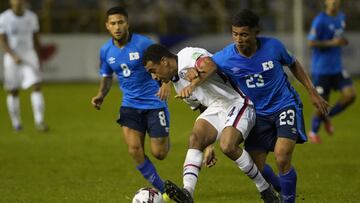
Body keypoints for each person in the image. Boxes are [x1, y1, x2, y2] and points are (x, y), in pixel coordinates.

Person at [183, 9, 328, 203]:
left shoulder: (274, 47)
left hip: (284, 105)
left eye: (244, 34)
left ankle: (288, 200)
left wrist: (312, 92)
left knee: (282, 156)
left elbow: (294, 64)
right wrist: (194, 74)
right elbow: (207, 64)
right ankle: (278, 187)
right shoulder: (226, 57)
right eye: (235, 34)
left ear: (255, 32)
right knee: (256, 167)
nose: (239, 39)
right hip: (256, 113)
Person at [143, 44, 280, 203]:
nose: (154, 77)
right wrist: (208, 145)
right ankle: (187, 192)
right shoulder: (177, 83)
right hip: (216, 107)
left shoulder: (187, 55)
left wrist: (194, 82)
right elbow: (202, 107)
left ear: (164, 61)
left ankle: (265, 189)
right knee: (196, 139)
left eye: (153, 71)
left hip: (237, 100)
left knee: (228, 146)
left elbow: (211, 65)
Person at [90, 6, 172, 200]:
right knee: (134, 149)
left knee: (159, 153)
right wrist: (101, 94)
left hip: (154, 103)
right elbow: (107, 76)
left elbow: (167, 62)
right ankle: (164, 190)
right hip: (129, 105)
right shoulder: (105, 51)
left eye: (120, 22)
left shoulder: (144, 44)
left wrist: (167, 82)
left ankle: (164, 136)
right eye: (113, 23)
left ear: (127, 23)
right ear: (107, 26)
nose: (117, 27)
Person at [307, 0, 356, 144]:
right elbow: (311, 42)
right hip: (321, 69)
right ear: (326, 2)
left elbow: (338, 37)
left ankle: (327, 118)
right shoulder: (320, 20)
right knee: (323, 103)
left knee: (350, 95)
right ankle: (313, 132)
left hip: (337, 68)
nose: (334, 2)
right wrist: (332, 43)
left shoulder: (341, 17)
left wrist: (342, 41)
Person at [0, 0, 48, 132]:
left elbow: (35, 38)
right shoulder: (4, 18)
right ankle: (16, 124)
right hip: (12, 58)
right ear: (11, 2)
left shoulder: (31, 17)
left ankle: (39, 121)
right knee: (13, 91)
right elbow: (2, 40)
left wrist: (39, 57)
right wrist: (12, 55)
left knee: (36, 85)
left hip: (29, 55)